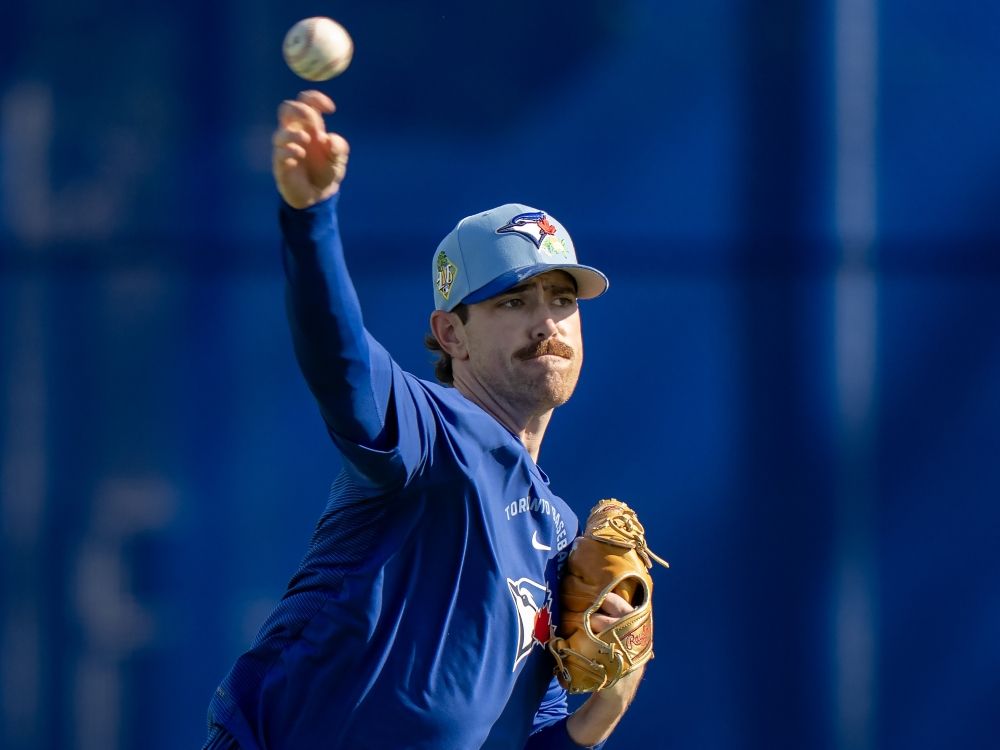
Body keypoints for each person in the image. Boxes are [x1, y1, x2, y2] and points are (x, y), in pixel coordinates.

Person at [203, 90, 646, 749]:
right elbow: (341, 361)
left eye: (561, 299)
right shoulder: (434, 431)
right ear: (451, 334)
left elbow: (538, 738)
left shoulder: (556, 533)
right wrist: (311, 216)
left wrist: (612, 694)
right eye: (513, 301)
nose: (546, 320)